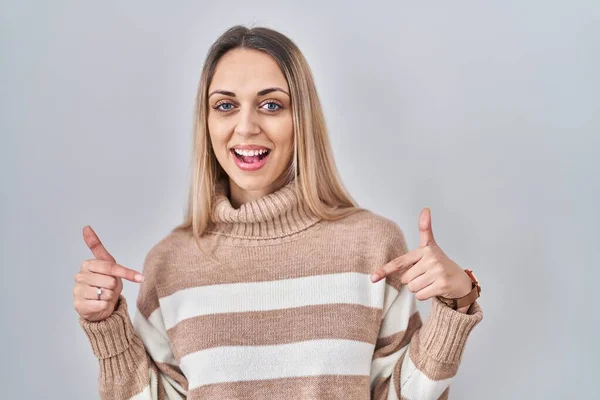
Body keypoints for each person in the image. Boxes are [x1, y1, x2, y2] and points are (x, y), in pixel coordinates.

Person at [73, 25, 483, 400]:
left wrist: (457, 303)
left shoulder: (372, 245)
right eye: (225, 106)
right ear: (207, 121)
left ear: (300, 119)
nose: (246, 126)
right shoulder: (169, 265)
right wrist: (107, 325)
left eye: (271, 105)